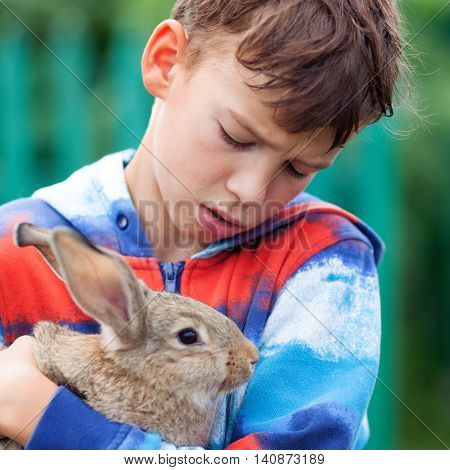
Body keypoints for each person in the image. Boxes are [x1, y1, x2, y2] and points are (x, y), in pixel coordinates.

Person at [0, 0, 406, 450]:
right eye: (236, 136)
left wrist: (52, 422)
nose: (251, 192)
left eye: (297, 167)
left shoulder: (322, 265)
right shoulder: (13, 249)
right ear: (166, 62)